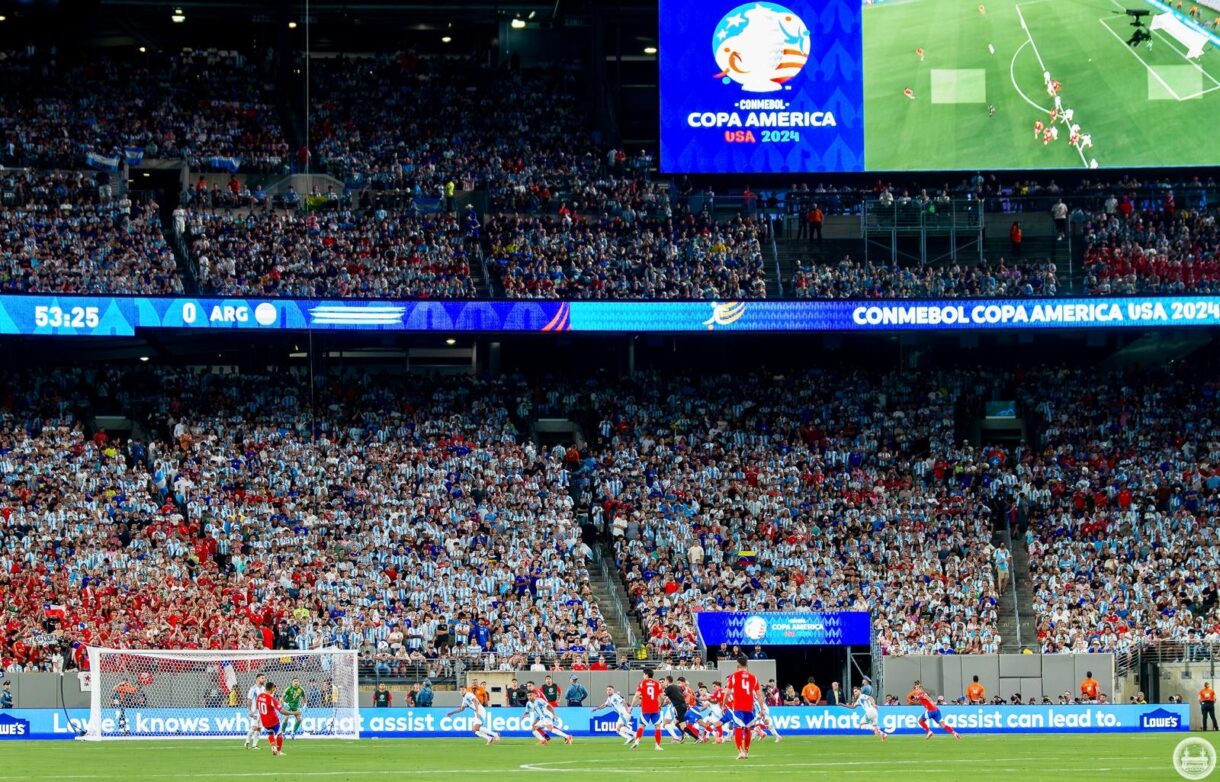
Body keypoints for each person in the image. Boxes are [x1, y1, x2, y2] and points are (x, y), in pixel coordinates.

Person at [726, 655, 763, 760]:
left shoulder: (733, 676)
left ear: (737, 665)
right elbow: (759, 695)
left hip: (738, 706)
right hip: (749, 707)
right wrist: (762, 709)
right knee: (748, 729)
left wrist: (724, 703)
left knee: (737, 728)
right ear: (746, 665)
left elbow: (727, 692)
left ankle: (740, 752)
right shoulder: (753, 677)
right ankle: (746, 752)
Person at [630, 667, 664, 751]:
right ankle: (657, 746)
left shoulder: (642, 683)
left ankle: (637, 741)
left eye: (643, 674)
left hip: (645, 708)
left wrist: (631, 706)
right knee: (657, 727)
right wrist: (660, 705)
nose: (643, 676)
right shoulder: (657, 683)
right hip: (655, 708)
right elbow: (662, 697)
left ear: (646, 674)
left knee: (642, 726)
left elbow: (637, 695)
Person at [255, 682, 287, 757]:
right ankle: (278, 751)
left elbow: (258, 707)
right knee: (279, 734)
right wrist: (293, 713)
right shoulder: (271, 699)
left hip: (264, 721)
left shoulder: (259, 696)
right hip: (273, 720)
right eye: (274, 688)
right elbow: (280, 709)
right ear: (272, 688)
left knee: (270, 733)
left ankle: (273, 746)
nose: (274, 689)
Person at [244, 673, 267, 749]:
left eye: (264, 678)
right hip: (255, 711)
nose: (264, 679)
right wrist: (249, 711)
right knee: (254, 727)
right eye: (262, 678)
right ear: (257, 679)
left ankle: (254, 745)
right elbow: (249, 700)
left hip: (262, 712)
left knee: (259, 728)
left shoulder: (264, 689)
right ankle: (247, 741)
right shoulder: (253, 688)